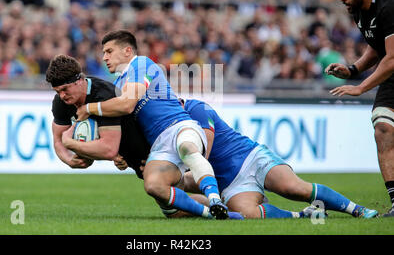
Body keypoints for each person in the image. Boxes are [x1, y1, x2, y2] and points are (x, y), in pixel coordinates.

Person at [116, 98, 379, 219]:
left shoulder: (193, 107)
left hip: (250, 157)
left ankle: (357, 210)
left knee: (293, 187)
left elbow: (204, 147)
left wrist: (184, 169)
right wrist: (129, 160)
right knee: (248, 214)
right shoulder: (163, 135)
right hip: (230, 183)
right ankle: (302, 216)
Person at [76, 30, 229, 220]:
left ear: (127, 51)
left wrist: (89, 108)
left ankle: (214, 198)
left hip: (178, 126)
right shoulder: (117, 85)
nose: (104, 57)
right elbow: (129, 127)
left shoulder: (140, 64)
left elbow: (128, 103)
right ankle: (214, 213)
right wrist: (124, 156)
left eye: (109, 51)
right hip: (158, 147)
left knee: (187, 148)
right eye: (103, 52)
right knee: (155, 189)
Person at [325, 0, 394, 217]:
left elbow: (392, 57)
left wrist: (361, 87)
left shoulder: (389, 5)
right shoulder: (360, 11)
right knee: (383, 128)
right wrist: (353, 69)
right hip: (391, 74)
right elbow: (377, 49)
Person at [45, 54, 150, 178]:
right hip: (126, 155)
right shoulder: (60, 102)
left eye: (65, 89)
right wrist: (69, 160)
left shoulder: (104, 95)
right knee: (157, 190)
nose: (62, 95)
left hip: (147, 151)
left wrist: (70, 143)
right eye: (57, 91)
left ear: (79, 80)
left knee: (157, 188)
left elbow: (109, 150)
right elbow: (58, 140)